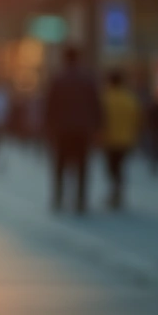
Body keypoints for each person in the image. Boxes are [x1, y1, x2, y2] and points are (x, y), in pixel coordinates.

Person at [44, 45, 103, 214]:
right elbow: (96, 105)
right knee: (82, 166)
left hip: (62, 129)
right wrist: (98, 128)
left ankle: (58, 197)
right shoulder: (88, 79)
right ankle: (80, 200)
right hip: (82, 129)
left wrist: (48, 128)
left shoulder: (57, 79)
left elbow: (50, 106)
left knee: (59, 165)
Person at [101, 69, 140, 210]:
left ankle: (115, 193)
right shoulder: (130, 99)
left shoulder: (105, 98)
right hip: (126, 139)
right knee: (120, 167)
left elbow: (100, 119)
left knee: (111, 168)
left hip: (109, 139)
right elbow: (137, 120)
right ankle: (118, 192)